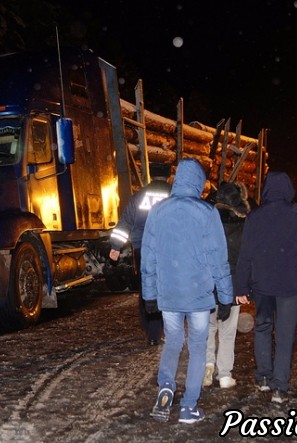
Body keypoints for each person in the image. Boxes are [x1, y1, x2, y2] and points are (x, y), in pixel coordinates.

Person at [141, 159, 233, 424]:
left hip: (168, 294)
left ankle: (166, 387)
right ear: (198, 184)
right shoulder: (207, 212)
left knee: (172, 341)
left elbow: (148, 258)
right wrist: (225, 297)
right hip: (199, 296)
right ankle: (189, 407)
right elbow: (218, 258)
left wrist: (150, 295)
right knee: (197, 346)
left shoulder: (157, 212)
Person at [234, 172, 297, 404]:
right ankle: (280, 386)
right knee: (285, 335)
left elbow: (244, 256)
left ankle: (264, 377)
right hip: (289, 284)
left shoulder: (254, 217)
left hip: (262, 284)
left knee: (263, 328)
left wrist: (241, 287)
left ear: (266, 190)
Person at [109, 162, 172, 346]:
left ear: (151, 176)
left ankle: (153, 334)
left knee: (148, 287)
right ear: (169, 176)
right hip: (168, 248)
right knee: (168, 288)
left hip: (143, 248)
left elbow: (125, 222)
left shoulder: (139, 196)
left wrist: (115, 246)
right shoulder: (175, 195)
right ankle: (169, 330)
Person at [204, 182, 250, 389]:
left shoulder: (206, 221)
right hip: (232, 285)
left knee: (208, 327)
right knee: (227, 331)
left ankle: (207, 365)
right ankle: (224, 375)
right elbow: (246, 258)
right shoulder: (244, 224)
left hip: (207, 284)